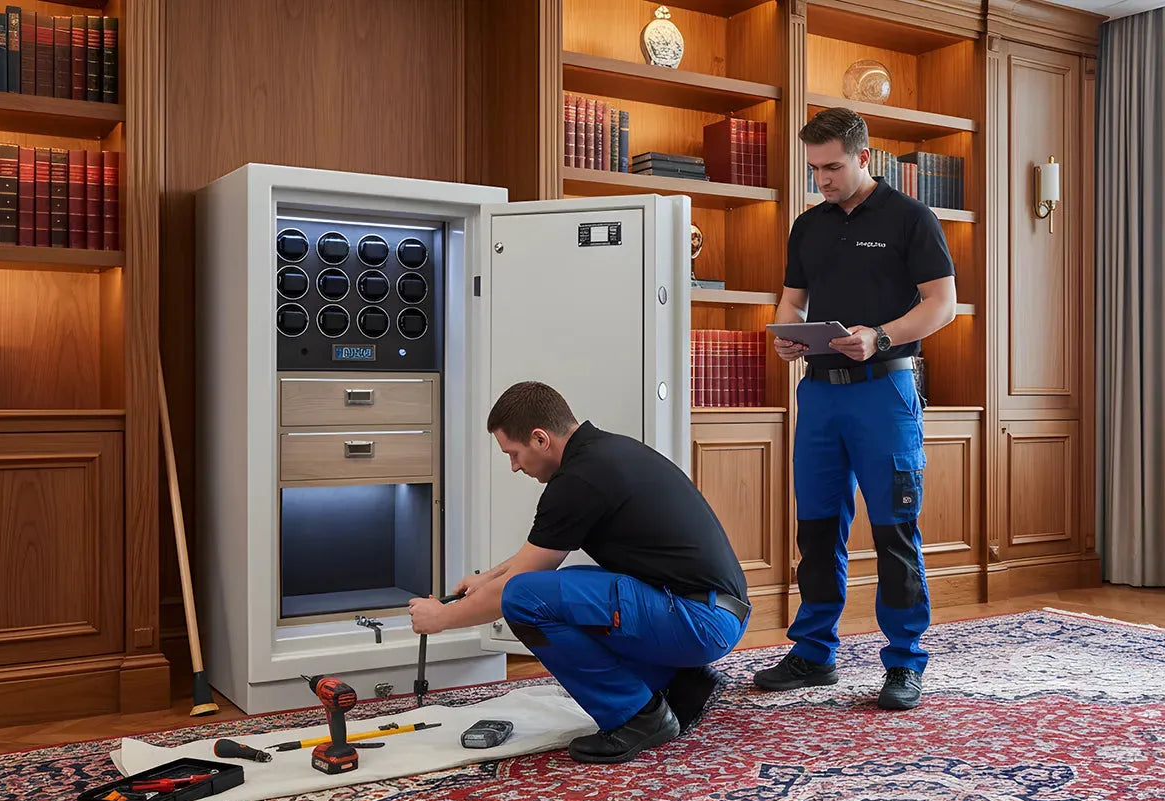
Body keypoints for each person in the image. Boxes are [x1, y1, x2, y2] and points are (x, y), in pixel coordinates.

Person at [408, 381, 751, 764]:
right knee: (561, 586)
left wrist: (439, 619)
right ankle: (679, 682)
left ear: (540, 439)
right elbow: (532, 558)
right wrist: (485, 579)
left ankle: (638, 716)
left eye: (514, 453)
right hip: (713, 611)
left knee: (525, 599)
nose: (514, 465)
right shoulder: (604, 454)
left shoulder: (578, 481)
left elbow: (515, 589)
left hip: (699, 622)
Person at [753, 107, 957, 710]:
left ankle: (904, 663)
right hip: (817, 394)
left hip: (884, 392)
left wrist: (882, 336)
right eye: (815, 169)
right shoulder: (808, 226)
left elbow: (942, 305)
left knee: (895, 530)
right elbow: (791, 303)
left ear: (865, 157)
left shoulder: (911, 218)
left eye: (834, 167)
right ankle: (815, 654)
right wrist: (787, 336)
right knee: (816, 530)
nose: (824, 180)